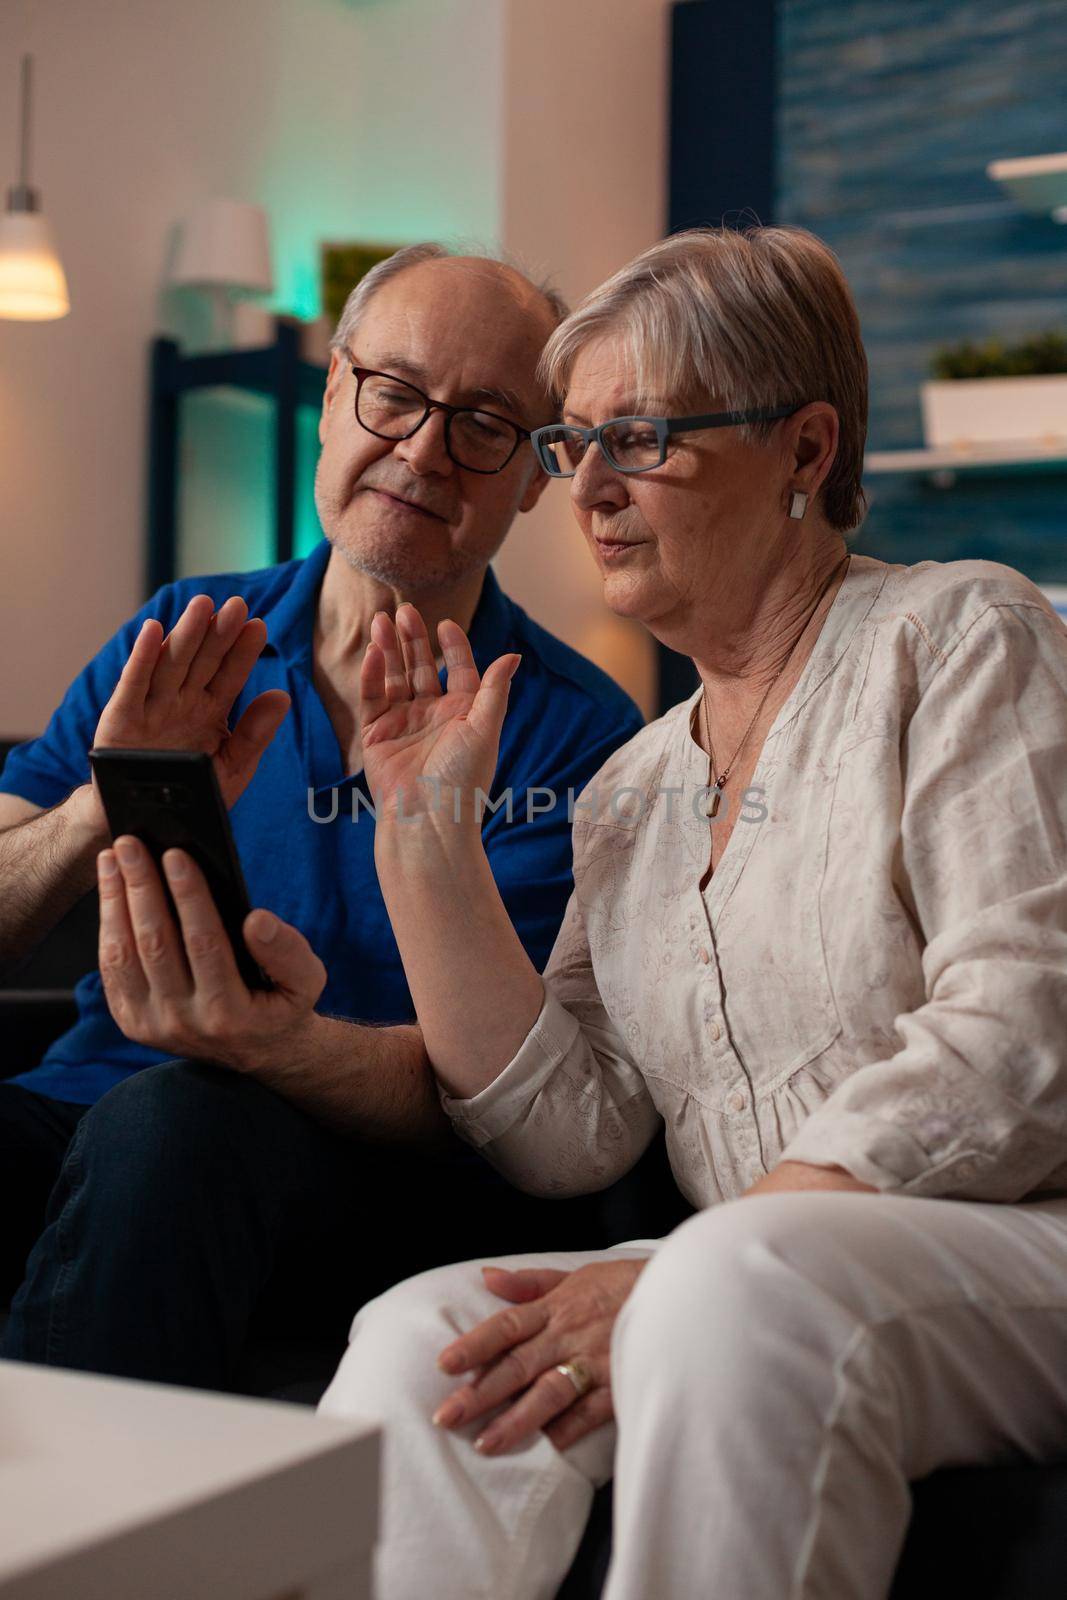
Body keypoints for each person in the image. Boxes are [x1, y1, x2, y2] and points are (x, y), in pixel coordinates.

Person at [318, 224, 1067, 1600]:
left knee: (732, 1289)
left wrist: (682, 1271)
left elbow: (1018, 1032)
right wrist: (424, 846)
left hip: (1026, 1237)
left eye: (641, 438)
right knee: (421, 1334)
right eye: (570, 446)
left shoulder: (965, 636)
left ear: (803, 448)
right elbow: (572, 1131)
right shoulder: (631, 786)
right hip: (765, 1254)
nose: (587, 488)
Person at [0, 243, 651, 1391]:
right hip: (78, 1115)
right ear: (331, 395)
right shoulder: (187, 632)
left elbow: (521, 1103)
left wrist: (269, 1045)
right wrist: (100, 803)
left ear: (536, 474)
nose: (421, 452)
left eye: (485, 422)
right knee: (141, 1122)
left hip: (361, 1173)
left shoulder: (578, 735)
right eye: (393, 394)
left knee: (174, 1125)